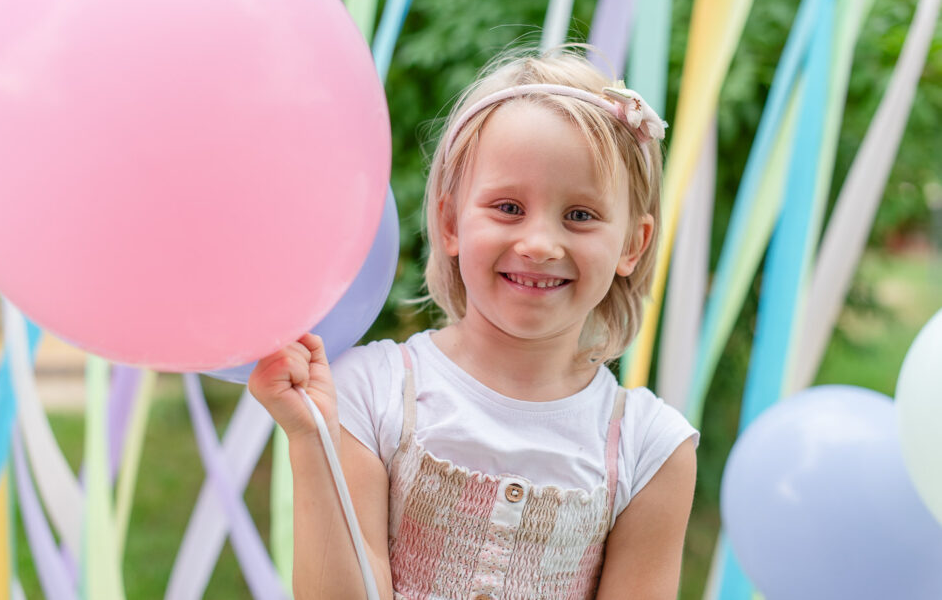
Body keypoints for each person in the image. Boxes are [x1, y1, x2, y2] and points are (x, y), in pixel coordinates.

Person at [249, 45, 699, 600]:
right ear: (449, 221)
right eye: (508, 207)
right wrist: (310, 442)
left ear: (633, 244)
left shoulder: (650, 449)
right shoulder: (369, 392)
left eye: (580, 215)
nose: (538, 244)